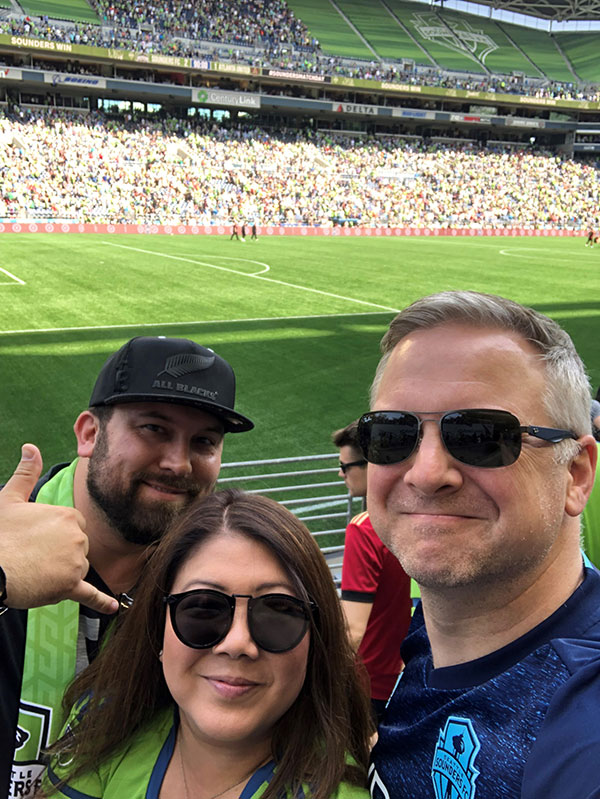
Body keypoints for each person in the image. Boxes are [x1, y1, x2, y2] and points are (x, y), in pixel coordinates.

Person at [359, 291, 600, 799]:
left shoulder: (580, 730)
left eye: (481, 435)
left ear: (576, 475)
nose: (426, 474)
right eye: (392, 433)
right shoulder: (444, 622)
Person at [1, 335, 253, 799]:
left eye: (204, 442)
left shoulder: (212, 579)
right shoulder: (6, 544)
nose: (178, 463)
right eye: (153, 429)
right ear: (89, 434)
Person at [42, 490, 373, 799]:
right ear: (158, 630)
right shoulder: (102, 724)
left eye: (278, 613)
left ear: (316, 642)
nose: (238, 643)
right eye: (203, 609)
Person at [332, 421, 411, 721]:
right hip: (404, 674)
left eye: (345, 466)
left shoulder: (364, 531)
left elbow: (351, 631)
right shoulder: (413, 522)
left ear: (372, 466)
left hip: (369, 683)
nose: (341, 473)